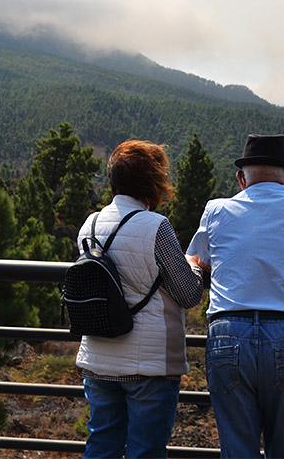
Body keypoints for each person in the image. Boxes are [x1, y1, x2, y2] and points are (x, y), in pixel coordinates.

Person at [187, 134, 284, 459]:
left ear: (241, 178)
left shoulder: (216, 210)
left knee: (237, 451)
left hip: (228, 334)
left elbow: (197, 260)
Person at [75, 140, 204, 459]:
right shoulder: (156, 226)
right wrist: (194, 268)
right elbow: (188, 294)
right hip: (150, 364)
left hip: (99, 357)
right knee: (146, 451)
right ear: (152, 181)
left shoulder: (88, 225)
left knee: (101, 446)